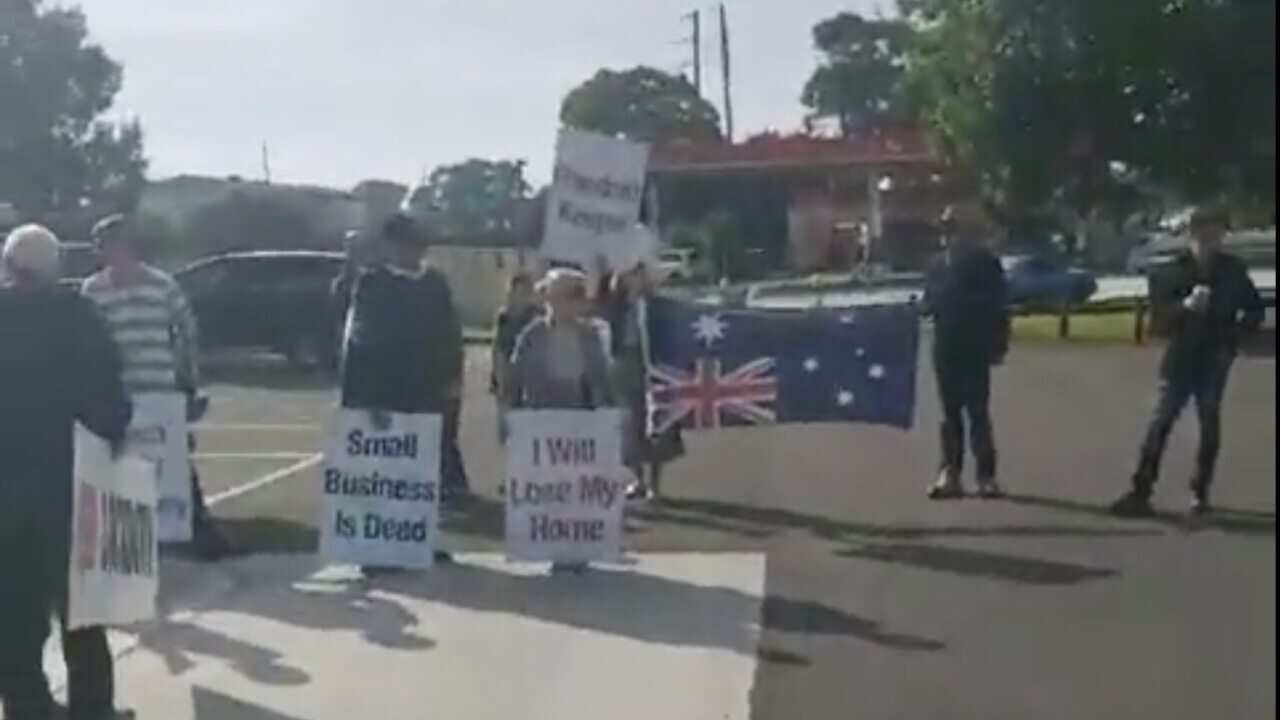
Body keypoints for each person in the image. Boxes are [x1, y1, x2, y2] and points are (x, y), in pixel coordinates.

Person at [0, 224, 135, 720]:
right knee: (82, 607)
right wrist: (115, 434)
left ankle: (25, 704)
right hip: (70, 483)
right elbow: (109, 400)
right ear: (55, 268)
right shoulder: (78, 316)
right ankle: (93, 709)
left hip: (3, 488)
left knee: (13, 608)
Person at [80, 214, 232, 561]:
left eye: (111, 244)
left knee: (174, 463)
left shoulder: (162, 285)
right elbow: (86, 339)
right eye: (100, 247)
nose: (105, 252)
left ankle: (195, 530)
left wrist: (191, 383)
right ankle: (120, 536)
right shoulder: (92, 290)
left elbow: (187, 334)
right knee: (118, 463)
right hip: (118, 392)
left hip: (161, 389)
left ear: (128, 246)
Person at [1110, 205, 1264, 516]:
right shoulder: (1171, 272)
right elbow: (1158, 322)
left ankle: (1200, 489)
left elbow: (1255, 309)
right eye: (1203, 233)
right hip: (1181, 356)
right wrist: (1183, 307)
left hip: (1215, 357)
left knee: (1209, 425)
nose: (1210, 240)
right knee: (1161, 421)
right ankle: (1141, 489)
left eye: (1217, 233)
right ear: (1191, 235)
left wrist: (1234, 337)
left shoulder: (1233, 270)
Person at [340, 213, 463, 566]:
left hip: (427, 390)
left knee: (422, 473)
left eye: (419, 244)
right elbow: (360, 341)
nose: (414, 251)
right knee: (383, 471)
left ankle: (418, 537)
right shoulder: (372, 284)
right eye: (407, 244)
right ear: (391, 247)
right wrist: (364, 398)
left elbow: (450, 334)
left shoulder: (435, 283)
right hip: (386, 390)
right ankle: (377, 546)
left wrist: (452, 378)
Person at [503, 268, 615, 573]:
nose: (560, 304)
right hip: (541, 414)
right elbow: (514, 377)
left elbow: (601, 380)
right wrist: (509, 414)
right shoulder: (532, 334)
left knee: (577, 485)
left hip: (579, 415)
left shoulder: (590, 335)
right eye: (554, 298)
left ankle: (575, 550)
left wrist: (607, 415)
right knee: (546, 486)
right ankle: (549, 543)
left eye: (570, 298)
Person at [920, 205, 1010, 500]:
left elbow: (999, 304)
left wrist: (998, 343)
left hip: (974, 344)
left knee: (978, 412)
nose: (948, 235)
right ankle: (950, 471)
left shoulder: (984, 262)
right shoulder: (935, 264)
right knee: (949, 413)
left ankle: (986, 475)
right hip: (946, 344)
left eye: (953, 228)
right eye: (944, 229)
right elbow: (929, 303)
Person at [598, 262, 684, 501]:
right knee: (629, 427)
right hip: (624, 365)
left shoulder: (657, 306)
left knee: (657, 423)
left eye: (636, 273)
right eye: (627, 274)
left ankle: (655, 485)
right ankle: (638, 481)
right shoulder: (613, 306)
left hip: (654, 366)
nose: (632, 278)